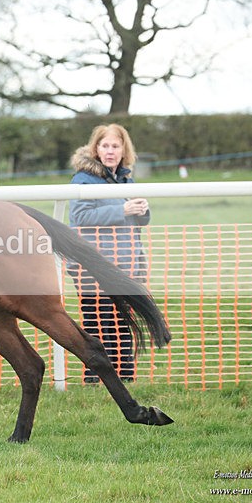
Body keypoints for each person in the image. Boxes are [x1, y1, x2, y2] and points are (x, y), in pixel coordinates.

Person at [67, 123, 150, 384]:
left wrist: (143, 210)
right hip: (93, 268)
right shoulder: (82, 180)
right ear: (96, 148)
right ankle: (94, 380)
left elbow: (138, 223)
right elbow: (79, 217)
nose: (110, 151)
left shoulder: (127, 180)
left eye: (115, 146)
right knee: (98, 326)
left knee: (124, 326)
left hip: (126, 267)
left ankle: (125, 379)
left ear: (124, 149)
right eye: (105, 146)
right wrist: (123, 211)